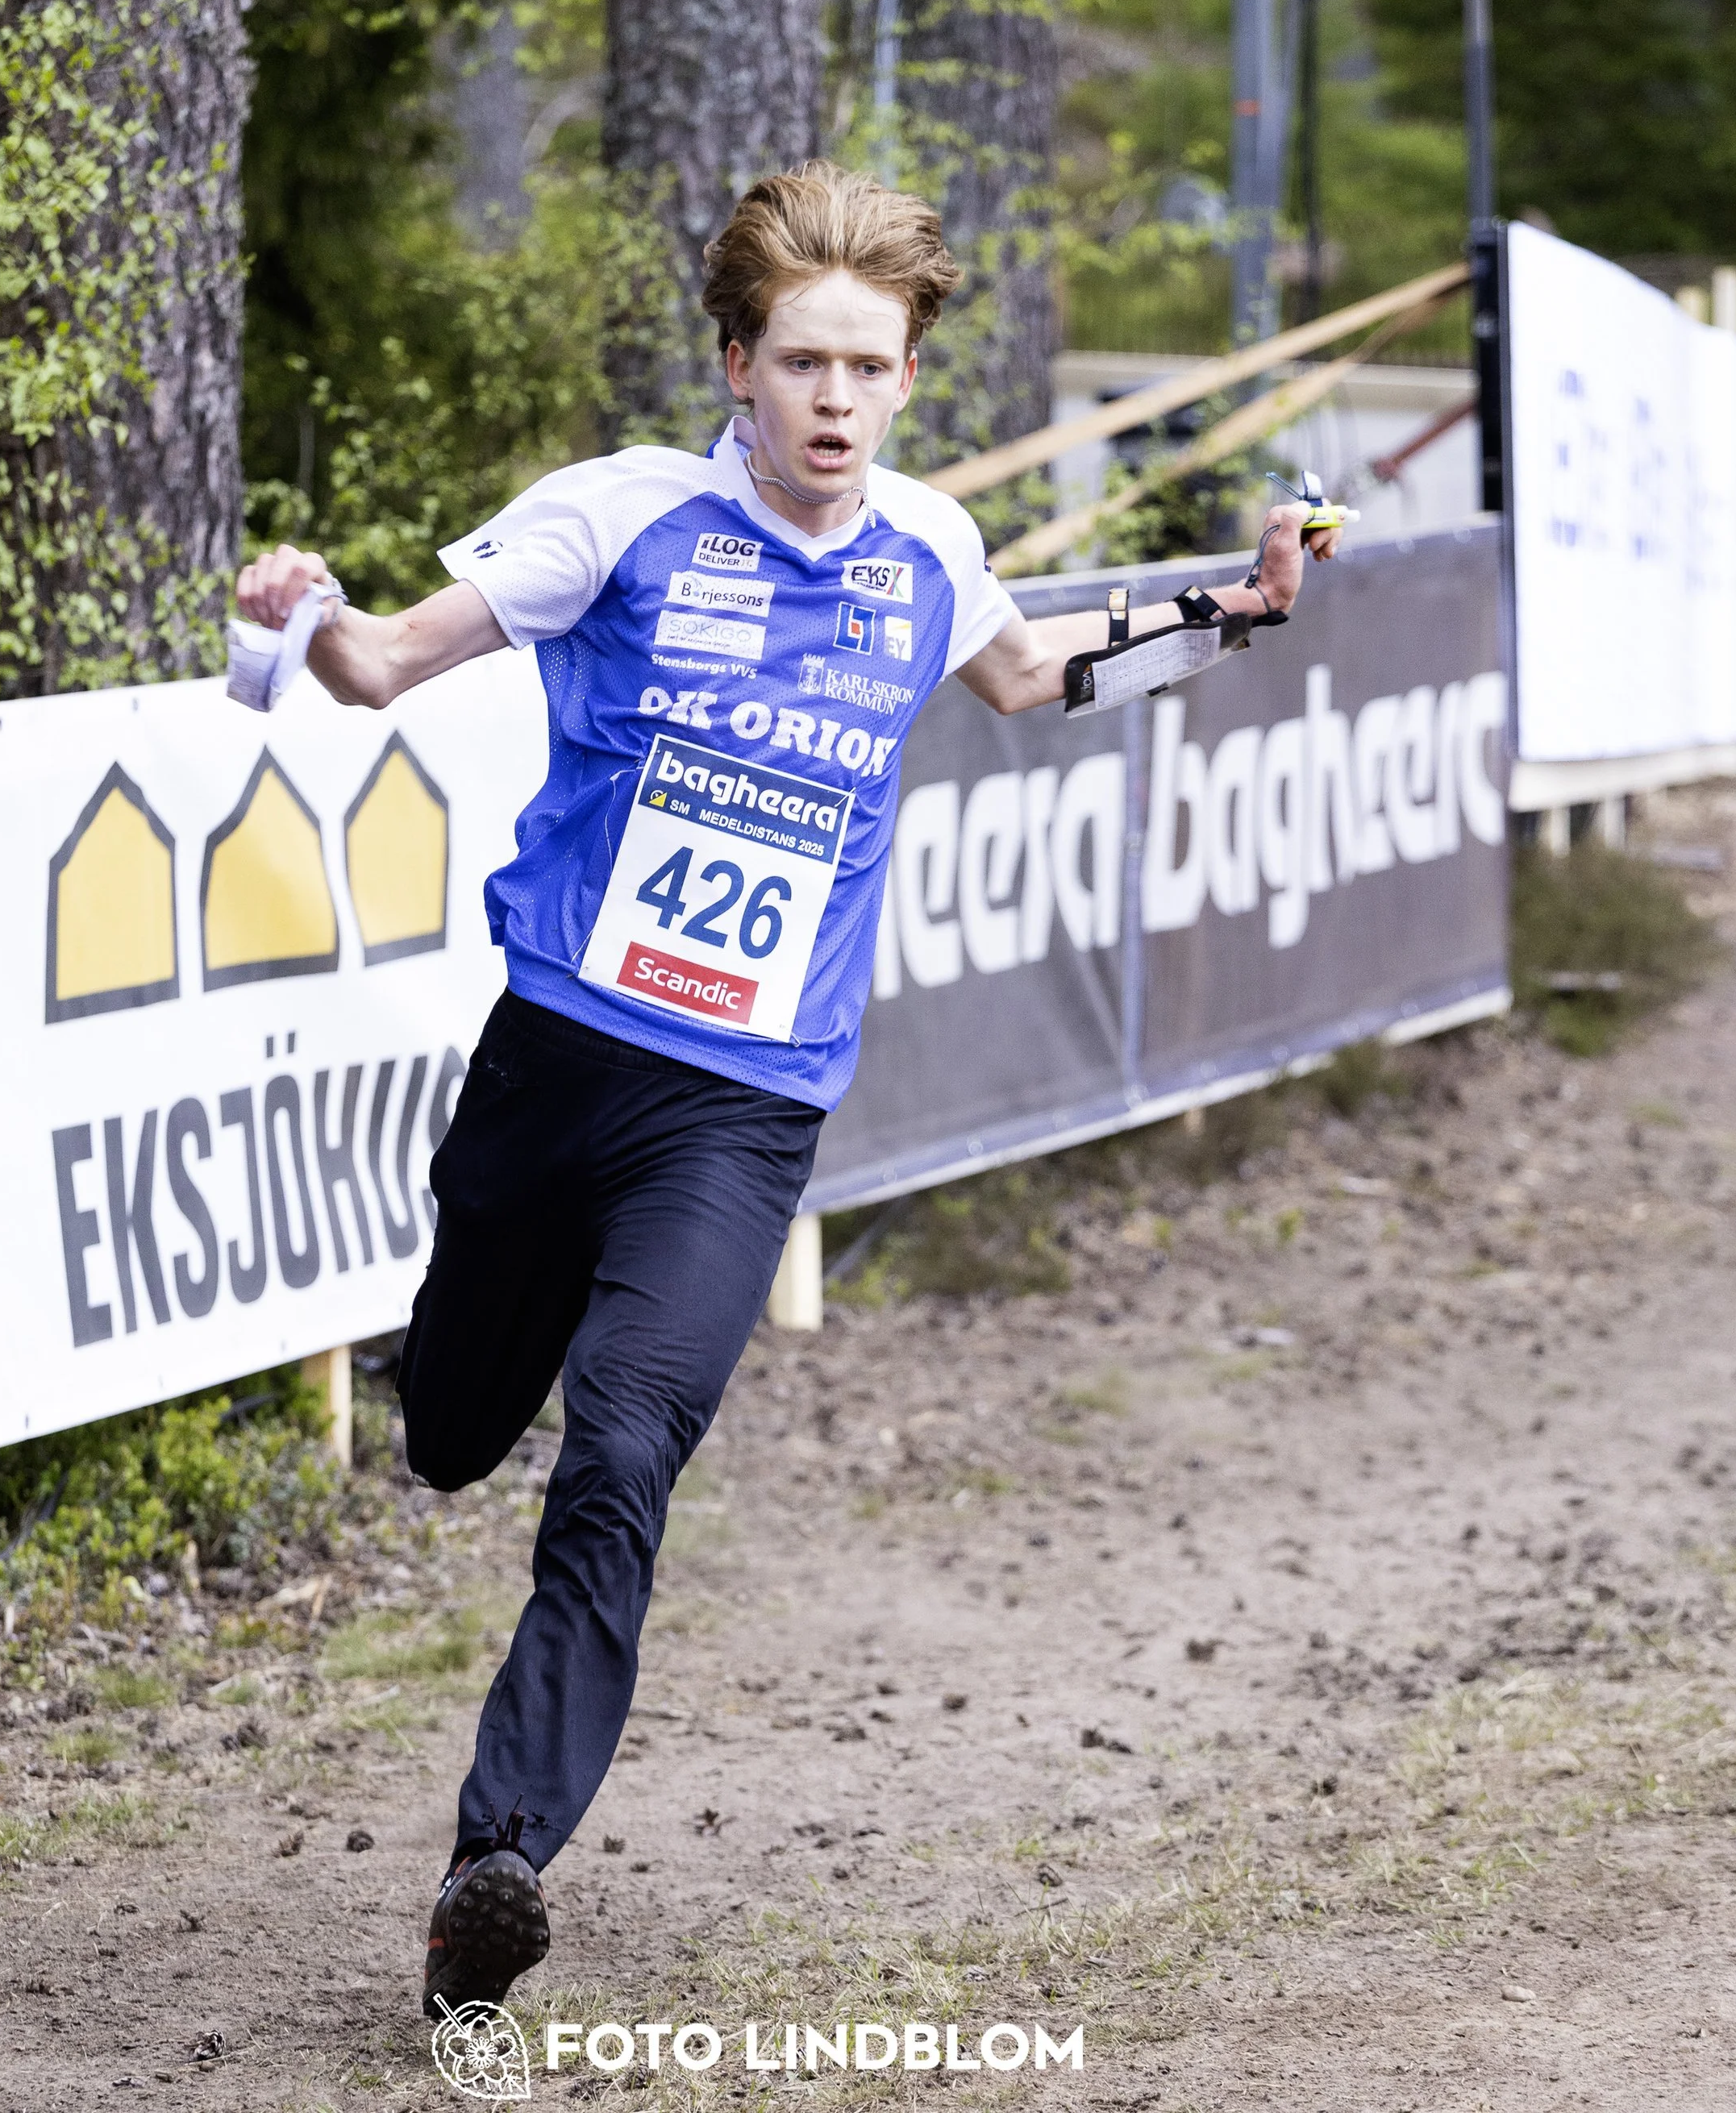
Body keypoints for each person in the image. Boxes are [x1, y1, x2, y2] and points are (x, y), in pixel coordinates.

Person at [235, 160, 1336, 2015]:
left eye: (872, 366)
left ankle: (491, 1867)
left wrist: (1233, 609)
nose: (836, 398)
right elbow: (379, 670)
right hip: (559, 1056)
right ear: (735, 363)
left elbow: (1026, 674)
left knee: (626, 1450)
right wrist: (308, 613)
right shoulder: (619, 520)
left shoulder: (921, 550)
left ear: (910, 380)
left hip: (739, 1111)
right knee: (449, 1426)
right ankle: (447, 1378)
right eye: (803, 360)